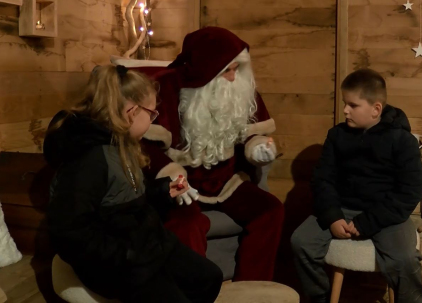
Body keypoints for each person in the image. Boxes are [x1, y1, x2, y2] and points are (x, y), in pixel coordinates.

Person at [44, 65, 223, 303]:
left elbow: (122, 198)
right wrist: (127, 256)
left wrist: (162, 191)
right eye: (151, 113)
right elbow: (68, 230)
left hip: (145, 245)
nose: (152, 119)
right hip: (119, 262)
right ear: (131, 111)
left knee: (209, 278)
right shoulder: (90, 159)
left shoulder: (122, 143)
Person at [142, 27, 284, 281]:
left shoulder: (239, 89)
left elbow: (254, 131)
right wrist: (172, 174)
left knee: (270, 210)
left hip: (225, 181)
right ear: (206, 69)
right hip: (182, 185)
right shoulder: (166, 88)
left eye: (236, 69)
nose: (233, 77)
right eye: (226, 70)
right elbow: (146, 146)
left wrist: (259, 148)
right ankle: (194, 293)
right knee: (187, 224)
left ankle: (252, 289)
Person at [291, 68, 422, 303]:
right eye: (345, 104)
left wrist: (366, 223)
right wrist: (332, 216)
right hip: (342, 207)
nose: (345, 110)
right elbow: (323, 180)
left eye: (353, 105)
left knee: (405, 259)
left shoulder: (402, 141)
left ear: (376, 109)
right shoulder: (336, 135)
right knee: (301, 242)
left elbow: (409, 192)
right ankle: (320, 298)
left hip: (386, 214)